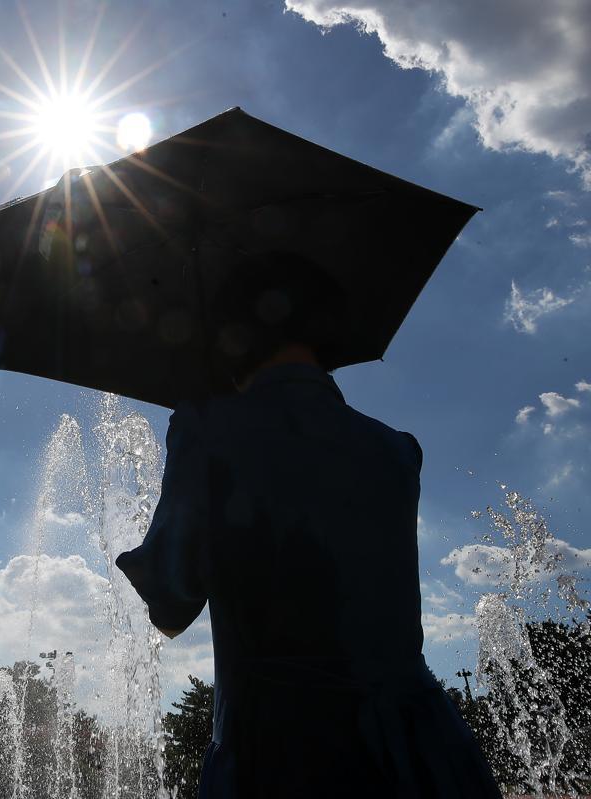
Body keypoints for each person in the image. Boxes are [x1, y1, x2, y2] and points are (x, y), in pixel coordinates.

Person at [115, 254, 502, 798]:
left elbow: (172, 599)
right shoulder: (396, 449)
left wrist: (195, 429)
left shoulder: (208, 429)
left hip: (280, 752)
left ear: (231, 337)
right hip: (424, 753)